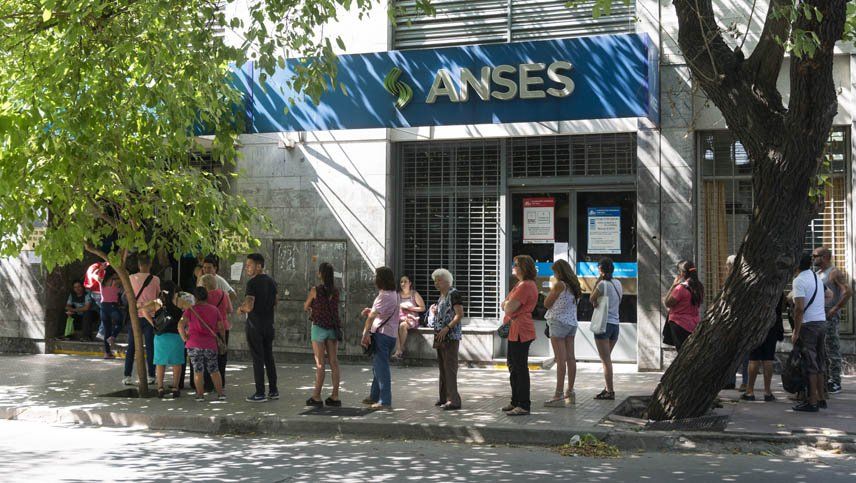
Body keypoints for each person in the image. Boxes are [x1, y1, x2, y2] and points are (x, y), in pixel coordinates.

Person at [791, 253, 831, 412]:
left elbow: (799, 309)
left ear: (796, 264)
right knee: (819, 362)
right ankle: (821, 398)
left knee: (810, 364)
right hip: (821, 322)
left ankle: (812, 402)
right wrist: (818, 308)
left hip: (808, 326)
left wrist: (796, 331)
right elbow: (829, 294)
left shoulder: (798, 280)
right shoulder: (816, 277)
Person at [499, 255, 538, 416]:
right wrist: (507, 304)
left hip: (521, 330)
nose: (513, 267)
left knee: (520, 367)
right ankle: (515, 401)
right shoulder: (520, 284)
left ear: (524, 268)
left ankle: (523, 404)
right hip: (515, 329)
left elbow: (508, 307)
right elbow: (504, 304)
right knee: (513, 366)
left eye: (516, 264)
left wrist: (507, 305)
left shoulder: (526, 286)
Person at [239, 253, 279, 402]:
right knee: (269, 357)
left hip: (255, 325)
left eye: (249, 265)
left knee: (258, 358)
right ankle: (273, 390)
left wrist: (241, 309)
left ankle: (260, 393)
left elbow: (249, 306)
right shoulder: (272, 282)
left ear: (259, 266)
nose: (247, 268)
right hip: (269, 324)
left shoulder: (252, 283)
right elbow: (276, 301)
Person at [303, 262, 343, 407]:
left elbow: (306, 306)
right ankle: (335, 396)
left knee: (320, 363)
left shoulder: (315, 290)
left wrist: (312, 308)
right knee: (334, 362)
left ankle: (316, 396)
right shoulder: (336, 291)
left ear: (320, 274)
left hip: (319, 328)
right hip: (332, 328)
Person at [359, 266, 399, 410]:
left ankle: (384, 401)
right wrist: (371, 311)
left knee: (381, 369)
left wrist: (365, 334)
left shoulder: (384, 296)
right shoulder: (394, 294)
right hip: (390, 335)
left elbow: (371, 318)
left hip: (382, 335)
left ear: (381, 279)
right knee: (378, 367)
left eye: (376, 276)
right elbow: (384, 312)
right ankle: (374, 396)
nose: (374, 278)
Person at [813, 246, 851, 394]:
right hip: (818, 316)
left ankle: (835, 382)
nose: (813, 259)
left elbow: (847, 292)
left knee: (832, 348)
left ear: (824, 257)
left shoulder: (834, 272)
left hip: (829, 316)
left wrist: (835, 309)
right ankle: (826, 379)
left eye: (815, 256)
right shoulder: (817, 273)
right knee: (821, 349)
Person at [543, 259, 581, 407]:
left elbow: (547, 303)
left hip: (558, 322)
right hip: (571, 323)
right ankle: (570, 391)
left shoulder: (560, 285)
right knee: (570, 358)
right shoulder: (574, 286)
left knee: (560, 359)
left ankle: (558, 395)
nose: (554, 275)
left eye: (555, 272)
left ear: (560, 272)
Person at [178, 287, 226, 402]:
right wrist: (223, 340)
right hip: (210, 344)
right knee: (214, 370)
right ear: (207, 297)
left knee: (197, 370)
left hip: (193, 343)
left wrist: (184, 338)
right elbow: (221, 327)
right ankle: (220, 394)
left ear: (195, 297)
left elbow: (180, 324)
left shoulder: (190, 310)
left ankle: (200, 395)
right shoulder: (214, 309)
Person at [428, 268, 463, 411]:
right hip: (439, 335)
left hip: (450, 336)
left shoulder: (453, 293)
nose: (436, 283)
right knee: (442, 368)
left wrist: (447, 328)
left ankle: (454, 400)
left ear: (447, 281)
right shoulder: (441, 296)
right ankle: (443, 397)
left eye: (439, 280)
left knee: (450, 368)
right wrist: (435, 312)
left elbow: (459, 314)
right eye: (435, 281)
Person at [124, 253, 160, 386]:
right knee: (150, 347)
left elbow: (127, 296)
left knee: (131, 347)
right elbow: (158, 298)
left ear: (139, 265)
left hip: (135, 316)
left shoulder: (130, 278)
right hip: (150, 317)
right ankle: (151, 375)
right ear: (150, 264)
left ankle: (127, 376)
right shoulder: (155, 279)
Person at [590, 257, 623, 400]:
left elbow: (592, 298)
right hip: (615, 325)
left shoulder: (602, 284)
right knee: (607, 358)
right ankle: (607, 388)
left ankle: (610, 391)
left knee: (605, 360)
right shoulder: (618, 283)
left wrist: (598, 281)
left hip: (603, 325)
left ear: (601, 270)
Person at [741, 295, 785, 402]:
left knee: (754, 358)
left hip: (756, 325)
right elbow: (781, 308)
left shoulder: (755, 290)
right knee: (768, 359)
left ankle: (750, 391)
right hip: (772, 325)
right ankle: (767, 392)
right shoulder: (778, 291)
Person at [150, 281, 185, 399]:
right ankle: (175, 387)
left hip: (160, 337)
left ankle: (160, 388)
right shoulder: (179, 302)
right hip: (176, 336)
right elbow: (191, 310)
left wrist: (154, 324)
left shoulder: (158, 302)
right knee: (177, 363)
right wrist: (184, 323)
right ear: (174, 291)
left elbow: (143, 310)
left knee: (160, 363)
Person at [663, 260, 704, 352]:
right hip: (694, 324)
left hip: (679, 324)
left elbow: (667, 303)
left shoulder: (680, 288)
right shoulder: (700, 287)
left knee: (682, 352)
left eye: (679, 272)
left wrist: (673, 286)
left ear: (683, 273)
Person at [199, 274, 232, 387]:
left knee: (208, 356)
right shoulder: (224, 294)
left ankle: (209, 383)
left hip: (209, 329)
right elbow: (230, 310)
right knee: (222, 354)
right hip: (224, 327)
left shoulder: (204, 297)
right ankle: (221, 382)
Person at [723, 255, 750, 391]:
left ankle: (740, 381)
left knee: (738, 353)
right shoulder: (744, 278)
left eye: (727, 265)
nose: (725, 268)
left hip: (738, 320)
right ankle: (739, 381)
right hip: (740, 320)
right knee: (736, 352)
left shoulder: (735, 281)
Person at [393, 274, 426, 359]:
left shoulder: (414, 294)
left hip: (411, 318)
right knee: (393, 326)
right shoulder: (397, 294)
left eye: (405, 281)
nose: (403, 284)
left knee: (402, 325)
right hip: (400, 317)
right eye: (401, 282)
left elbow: (423, 308)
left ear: (410, 283)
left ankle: (400, 349)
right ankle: (399, 349)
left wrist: (411, 308)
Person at [99, 270, 125, 359]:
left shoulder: (101, 281)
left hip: (103, 307)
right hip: (112, 306)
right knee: (120, 323)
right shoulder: (116, 281)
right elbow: (126, 279)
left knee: (107, 330)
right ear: (113, 273)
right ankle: (113, 337)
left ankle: (107, 353)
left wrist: (101, 268)